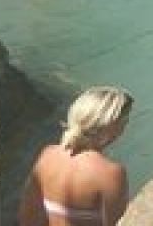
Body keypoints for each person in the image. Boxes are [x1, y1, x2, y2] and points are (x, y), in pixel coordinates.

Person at [19, 86, 134, 226]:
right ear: (111, 126)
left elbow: (27, 216)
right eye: (124, 120)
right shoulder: (111, 173)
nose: (126, 124)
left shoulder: (48, 155)